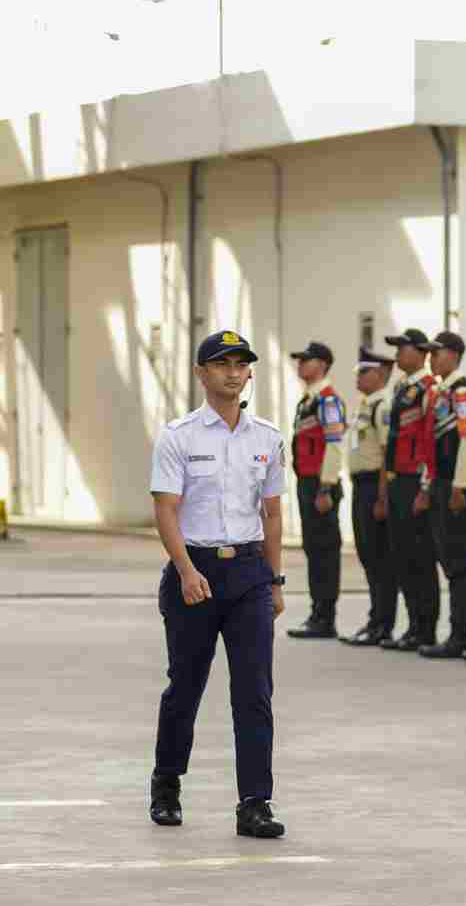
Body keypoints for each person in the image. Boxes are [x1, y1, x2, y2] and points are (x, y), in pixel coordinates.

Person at [148, 330, 288, 838]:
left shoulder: (266, 438)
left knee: (254, 690)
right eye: (222, 363)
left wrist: (274, 581)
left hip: (248, 574)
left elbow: (272, 514)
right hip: (195, 570)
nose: (233, 371)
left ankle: (255, 802)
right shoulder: (179, 436)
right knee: (185, 685)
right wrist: (186, 570)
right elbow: (166, 510)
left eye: (241, 363)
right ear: (201, 373)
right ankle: (167, 782)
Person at [414, 331, 466, 658]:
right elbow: (430, 444)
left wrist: (459, 485)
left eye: (436, 352)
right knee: (448, 560)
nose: (431, 358)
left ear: (453, 354)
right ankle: (456, 632)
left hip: (455, 487)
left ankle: (461, 636)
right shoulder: (440, 391)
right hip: (440, 484)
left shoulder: (462, 391)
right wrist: (428, 486)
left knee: (459, 562)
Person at [380, 328, 440, 651]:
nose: (398, 355)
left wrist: (426, 487)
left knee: (420, 558)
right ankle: (413, 623)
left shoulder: (431, 388)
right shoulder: (402, 387)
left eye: (403, 348)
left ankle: (426, 627)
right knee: (402, 556)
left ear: (421, 353)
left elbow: (430, 441)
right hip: (397, 479)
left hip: (416, 480)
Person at [285, 340, 347, 640]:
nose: (301, 365)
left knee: (324, 550)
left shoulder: (328, 400)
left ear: (321, 364)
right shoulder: (308, 399)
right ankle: (317, 612)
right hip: (307, 482)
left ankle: (326, 616)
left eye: (306, 360)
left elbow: (334, 446)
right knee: (314, 549)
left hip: (321, 485)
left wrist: (326, 487)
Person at [342, 345, 398, 646]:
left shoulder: (382, 406)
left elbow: (387, 455)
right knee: (367, 555)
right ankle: (375, 618)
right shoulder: (365, 404)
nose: (358, 377)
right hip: (359, 485)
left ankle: (383, 623)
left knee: (379, 558)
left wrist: (382, 497)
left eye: (364, 371)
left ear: (378, 374)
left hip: (373, 488)